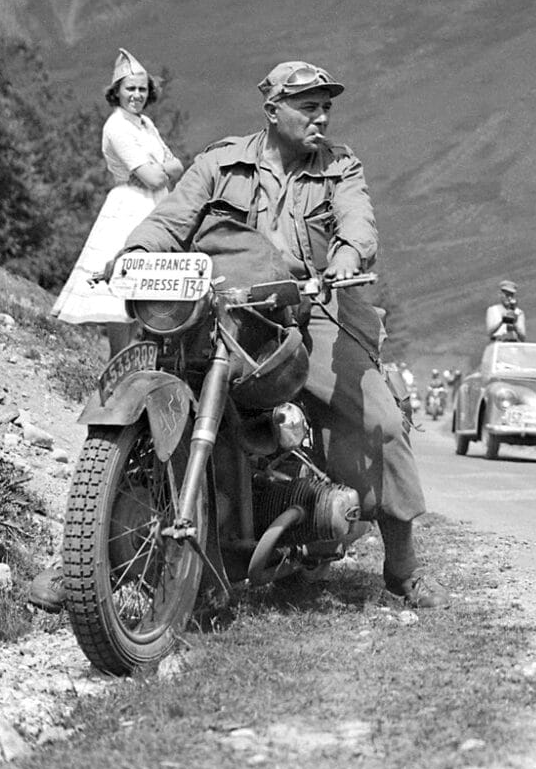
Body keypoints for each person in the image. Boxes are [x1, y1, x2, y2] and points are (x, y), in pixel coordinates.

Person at [118, 59, 445, 607]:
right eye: (308, 107)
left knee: (381, 423)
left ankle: (402, 566)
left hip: (310, 309)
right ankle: (91, 551)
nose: (321, 117)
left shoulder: (339, 166)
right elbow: (171, 219)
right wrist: (135, 251)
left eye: (326, 107)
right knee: (147, 392)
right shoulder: (220, 163)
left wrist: (347, 255)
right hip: (226, 305)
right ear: (273, 111)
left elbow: (357, 220)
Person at [52, 49, 186, 355]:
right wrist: (159, 171)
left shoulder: (145, 124)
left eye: (142, 89)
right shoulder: (116, 126)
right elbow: (153, 177)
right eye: (130, 89)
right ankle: (118, 359)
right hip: (129, 205)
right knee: (122, 282)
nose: (137, 95)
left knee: (149, 284)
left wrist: (160, 170)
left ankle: (142, 359)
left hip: (157, 205)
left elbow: (176, 166)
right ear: (117, 92)